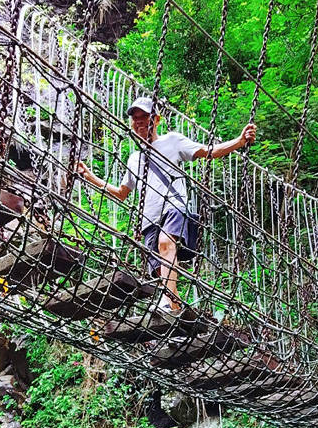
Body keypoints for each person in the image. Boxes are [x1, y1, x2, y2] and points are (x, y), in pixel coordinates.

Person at [75, 95, 255, 315]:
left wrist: (239, 141)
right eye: (135, 118)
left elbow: (209, 152)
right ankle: (176, 311)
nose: (139, 122)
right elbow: (121, 194)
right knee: (162, 270)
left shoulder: (172, 141)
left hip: (174, 208)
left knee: (165, 244)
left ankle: (168, 302)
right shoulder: (134, 159)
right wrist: (90, 177)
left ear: (156, 120)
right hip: (150, 218)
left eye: (144, 117)